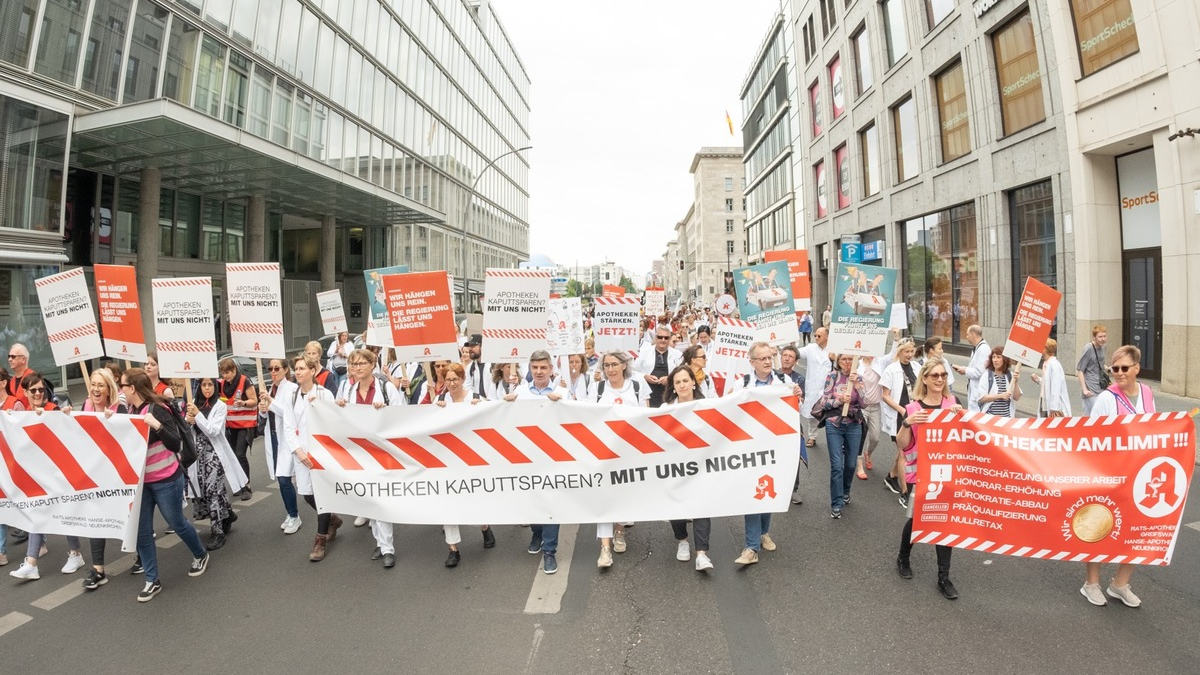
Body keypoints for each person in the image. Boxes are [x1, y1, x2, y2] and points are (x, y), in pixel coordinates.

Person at [120, 368, 210, 602]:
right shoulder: (130, 409)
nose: (121, 390)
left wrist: (157, 426)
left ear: (133, 389)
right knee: (142, 531)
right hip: (142, 483)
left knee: (176, 522)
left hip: (166, 479)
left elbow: (175, 443)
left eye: (123, 386)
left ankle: (200, 554)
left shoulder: (158, 408)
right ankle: (152, 580)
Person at [1080, 344, 1149, 608]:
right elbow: (1093, 438)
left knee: (1137, 531)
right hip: (1108, 475)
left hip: (1137, 476)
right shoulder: (1107, 399)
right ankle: (1091, 583)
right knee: (1099, 528)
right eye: (1114, 368)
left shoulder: (1147, 394)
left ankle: (1120, 584)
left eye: (1124, 368)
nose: (1118, 373)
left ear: (1136, 369)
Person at [726, 342, 803, 566]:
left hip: (776, 446)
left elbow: (795, 410)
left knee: (768, 488)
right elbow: (730, 409)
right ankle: (751, 547)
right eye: (763, 358)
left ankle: (763, 532)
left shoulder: (784, 382)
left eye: (770, 357)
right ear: (752, 362)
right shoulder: (743, 384)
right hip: (750, 447)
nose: (768, 361)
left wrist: (797, 395)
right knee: (753, 494)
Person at [895, 359, 963, 600]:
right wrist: (906, 423)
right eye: (934, 375)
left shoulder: (953, 404)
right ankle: (903, 557)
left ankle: (943, 578)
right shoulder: (913, 409)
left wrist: (961, 418)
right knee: (916, 520)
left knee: (945, 523)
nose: (939, 379)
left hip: (946, 474)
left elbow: (966, 438)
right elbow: (902, 445)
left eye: (943, 375)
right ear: (924, 378)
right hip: (921, 474)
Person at [8, 372, 83, 581]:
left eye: (41, 389)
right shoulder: (20, 415)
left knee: (64, 512)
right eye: (33, 390)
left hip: (56, 473)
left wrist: (63, 415)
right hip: (36, 475)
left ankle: (75, 553)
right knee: (37, 513)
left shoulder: (52, 410)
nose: (38, 393)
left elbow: (66, 436)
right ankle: (31, 562)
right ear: (25, 392)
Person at [335, 348, 405, 568]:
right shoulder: (348, 389)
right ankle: (380, 541)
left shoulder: (386, 388)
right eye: (353, 364)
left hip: (382, 452)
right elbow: (339, 418)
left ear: (372, 365)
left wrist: (384, 410)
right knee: (368, 499)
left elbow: (401, 416)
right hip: (359, 453)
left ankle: (387, 549)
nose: (356, 368)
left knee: (380, 499)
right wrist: (340, 408)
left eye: (361, 364)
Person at [504, 350, 567, 574]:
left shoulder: (563, 393)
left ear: (551, 369)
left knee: (551, 504)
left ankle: (549, 551)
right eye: (535, 368)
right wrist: (505, 404)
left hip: (554, 460)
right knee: (529, 500)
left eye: (543, 368)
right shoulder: (520, 392)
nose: (539, 372)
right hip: (525, 460)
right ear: (530, 369)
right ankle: (537, 532)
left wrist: (562, 405)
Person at [275, 354, 342, 561]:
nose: (298, 372)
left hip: (321, 452)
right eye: (296, 368)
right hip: (301, 453)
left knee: (321, 495)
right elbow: (288, 426)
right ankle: (332, 518)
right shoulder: (291, 395)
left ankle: (320, 540)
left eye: (303, 368)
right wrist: (298, 451)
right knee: (307, 494)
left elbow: (335, 423)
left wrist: (319, 407)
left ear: (313, 371)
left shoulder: (324, 394)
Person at [591, 350, 648, 567]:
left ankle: (619, 531)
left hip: (629, 453)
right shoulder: (597, 388)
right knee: (604, 497)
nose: (610, 369)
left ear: (624, 365)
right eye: (606, 366)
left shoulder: (637, 386)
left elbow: (646, 417)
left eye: (614, 364)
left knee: (624, 495)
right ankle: (605, 548)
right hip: (604, 452)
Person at [434, 363, 494, 567]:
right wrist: (436, 411)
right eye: (448, 380)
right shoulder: (439, 400)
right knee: (447, 505)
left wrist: (481, 407)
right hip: (447, 460)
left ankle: (485, 526)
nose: (451, 384)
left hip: (471, 458)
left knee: (473, 499)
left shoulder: (474, 398)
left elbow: (493, 417)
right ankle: (453, 549)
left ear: (462, 379)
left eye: (455, 379)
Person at [186, 378, 249, 551]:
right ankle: (227, 514)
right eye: (204, 385)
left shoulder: (220, 406)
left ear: (215, 386)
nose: (207, 388)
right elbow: (189, 429)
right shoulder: (193, 403)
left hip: (214, 453)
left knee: (212, 489)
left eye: (210, 385)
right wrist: (188, 419)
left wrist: (197, 416)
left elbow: (213, 431)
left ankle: (217, 531)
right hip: (197, 453)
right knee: (206, 489)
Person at [663, 365, 713, 571]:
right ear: (673, 387)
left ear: (694, 382)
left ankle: (701, 554)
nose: (683, 385)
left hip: (701, 465)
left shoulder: (706, 406)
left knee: (702, 505)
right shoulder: (665, 410)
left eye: (686, 380)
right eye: (678, 382)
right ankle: (682, 540)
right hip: (675, 468)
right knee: (677, 506)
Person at [78, 367, 121, 589]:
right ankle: (98, 570)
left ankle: (144, 557)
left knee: (129, 520)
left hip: (118, 477)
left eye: (100, 385)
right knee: (95, 519)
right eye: (93, 384)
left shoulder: (119, 408)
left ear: (108, 389)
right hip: (95, 476)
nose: (95, 389)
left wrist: (114, 422)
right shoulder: (85, 405)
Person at [816, 354, 865, 518]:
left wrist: (857, 385)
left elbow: (865, 403)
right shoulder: (832, 376)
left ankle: (845, 490)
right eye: (844, 359)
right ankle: (836, 503)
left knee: (850, 465)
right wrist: (839, 401)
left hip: (853, 425)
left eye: (850, 359)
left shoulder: (859, 378)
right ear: (838, 361)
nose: (847, 362)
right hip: (834, 424)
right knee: (837, 465)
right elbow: (824, 402)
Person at [258, 358, 302, 535]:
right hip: (274, 437)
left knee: (284, 479)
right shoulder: (271, 389)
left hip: (288, 439)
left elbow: (287, 413)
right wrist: (262, 409)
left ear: (285, 370)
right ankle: (290, 514)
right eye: (270, 368)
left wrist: (269, 400)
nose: (273, 371)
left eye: (277, 368)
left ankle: (295, 515)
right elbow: (267, 416)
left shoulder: (292, 389)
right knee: (280, 478)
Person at [216, 358, 258, 501]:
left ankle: (247, 486)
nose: (225, 376)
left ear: (234, 370)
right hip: (230, 426)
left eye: (227, 373)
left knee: (240, 454)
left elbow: (254, 400)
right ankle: (239, 483)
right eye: (223, 373)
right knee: (233, 456)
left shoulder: (245, 381)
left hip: (245, 425)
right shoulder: (222, 384)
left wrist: (244, 403)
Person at [881, 341, 918, 499]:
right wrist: (902, 409)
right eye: (906, 351)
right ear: (899, 351)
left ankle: (891, 476)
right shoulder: (891, 369)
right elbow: (885, 395)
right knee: (904, 453)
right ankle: (905, 492)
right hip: (900, 416)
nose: (909, 354)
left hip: (914, 414)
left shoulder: (917, 367)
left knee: (907, 450)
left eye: (911, 351)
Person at [799, 327, 832, 448]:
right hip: (813, 387)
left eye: (819, 336)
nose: (816, 338)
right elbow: (797, 353)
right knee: (813, 414)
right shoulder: (811, 348)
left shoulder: (834, 350)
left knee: (832, 415)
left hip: (829, 388)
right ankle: (812, 436)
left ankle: (834, 439)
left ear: (827, 336)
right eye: (816, 336)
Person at [633, 325, 682, 408]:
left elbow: (681, 372)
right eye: (660, 337)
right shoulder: (644, 352)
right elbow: (633, 371)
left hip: (669, 392)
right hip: (649, 391)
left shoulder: (677, 354)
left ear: (669, 339)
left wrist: (670, 378)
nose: (663, 340)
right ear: (655, 338)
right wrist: (645, 376)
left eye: (666, 338)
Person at [854, 355, 882, 481]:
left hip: (876, 406)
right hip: (862, 407)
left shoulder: (879, 362)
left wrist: (896, 340)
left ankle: (868, 453)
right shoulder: (857, 364)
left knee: (875, 438)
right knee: (861, 436)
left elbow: (893, 356)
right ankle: (859, 466)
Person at [952, 325, 990, 412]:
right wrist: (963, 369)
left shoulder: (983, 349)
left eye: (967, 334)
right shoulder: (977, 348)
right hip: (974, 389)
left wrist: (965, 370)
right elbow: (975, 368)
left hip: (979, 391)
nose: (966, 337)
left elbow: (980, 372)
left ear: (973, 334)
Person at [977, 347, 1022, 417]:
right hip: (990, 418)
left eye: (998, 357)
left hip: (1007, 419)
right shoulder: (987, 376)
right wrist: (1000, 396)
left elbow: (1016, 397)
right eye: (993, 357)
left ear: (1004, 359)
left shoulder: (1010, 375)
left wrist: (1016, 381)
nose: (995, 360)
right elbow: (982, 398)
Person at [1030, 339, 1071, 417]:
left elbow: (1056, 386)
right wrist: (1038, 380)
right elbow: (1048, 383)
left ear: (1045, 349)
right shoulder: (1047, 363)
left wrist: (1054, 408)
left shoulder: (1054, 365)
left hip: (1052, 406)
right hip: (1044, 400)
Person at [1076, 324, 1109, 414]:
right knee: (1091, 416)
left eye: (1105, 336)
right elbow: (1080, 370)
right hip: (1090, 389)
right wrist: (1084, 389)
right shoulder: (1088, 348)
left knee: (1101, 415)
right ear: (1094, 337)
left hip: (1101, 387)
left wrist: (1108, 369)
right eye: (1100, 337)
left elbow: (1101, 364)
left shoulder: (1103, 347)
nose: (1103, 339)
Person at [5, 343, 33, 407]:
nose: (10, 359)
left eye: (13, 357)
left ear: (23, 359)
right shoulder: (11, 381)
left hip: (30, 415)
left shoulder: (34, 378)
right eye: (9, 356)